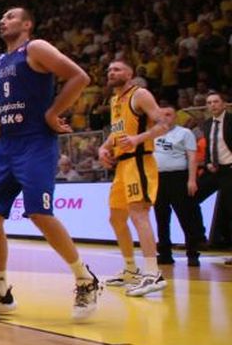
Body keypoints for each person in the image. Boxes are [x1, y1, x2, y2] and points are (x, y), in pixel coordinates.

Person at [0, 7, 101, 321]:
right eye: (1, 17)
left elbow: (80, 77)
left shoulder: (36, 48)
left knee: (39, 213)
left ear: (27, 24)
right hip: (6, 145)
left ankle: (85, 279)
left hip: (36, 141)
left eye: (10, 16)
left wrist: (53, 113)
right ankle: (0, 291)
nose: (3, 20)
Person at [98, 62, 167, 296]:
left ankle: (153, 273)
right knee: (116, 218)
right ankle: (130, 269)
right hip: (122, 166)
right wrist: (104, 147)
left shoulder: (140, 94)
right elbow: (117, 131)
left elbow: (163, 124)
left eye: (117, 69)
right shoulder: (114, 100)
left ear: (130, 74)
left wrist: (138, 139)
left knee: (139, 214)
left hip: (139, 161)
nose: (111, 72)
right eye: (109, 70)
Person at [150, 103, 203, 266]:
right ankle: (165, 253)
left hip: (178, 177)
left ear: (175, 117)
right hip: (158, 178)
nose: (165, 118)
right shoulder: (153, 133)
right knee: (161, 217)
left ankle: (192, 253)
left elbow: (192, 157)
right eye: (162, 115)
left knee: (186, 216)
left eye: (169, 114)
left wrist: (192, 180)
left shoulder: (184, 133)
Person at [198, 91, 232, 258]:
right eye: (209, 102)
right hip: (213, 170)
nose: (213, 105)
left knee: (229, 207)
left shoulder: (231, 120)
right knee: (190, 197)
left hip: (229, 169)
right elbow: (209, 148)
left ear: (224, 104)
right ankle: (199, 237)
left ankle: (227, 244)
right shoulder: (207, 124)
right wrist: (207, 163)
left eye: (216, 101)